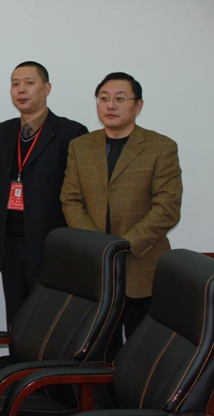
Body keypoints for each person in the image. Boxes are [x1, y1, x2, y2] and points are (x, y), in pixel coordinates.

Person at [61, 72, 181, 340]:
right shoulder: (80, 146)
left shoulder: (161, 147)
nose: (110, 105)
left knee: (143, 351)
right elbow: (71, 199)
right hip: (95, 271)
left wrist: (123, 247)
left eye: (120, 98)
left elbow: (167, 208)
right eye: (103, 98)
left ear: (138, 105)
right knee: (99, 351)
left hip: (142, 268)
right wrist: (98, 247)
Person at [0, 62, 88, 325]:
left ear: (46, 88)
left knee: (49, 323)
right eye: (15, 84)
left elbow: (79, 193)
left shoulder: (72, 133)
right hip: (10, 244)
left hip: (50, 244)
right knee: (16, 322)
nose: (21, 90)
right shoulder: (2, 132)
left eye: (29, 83)